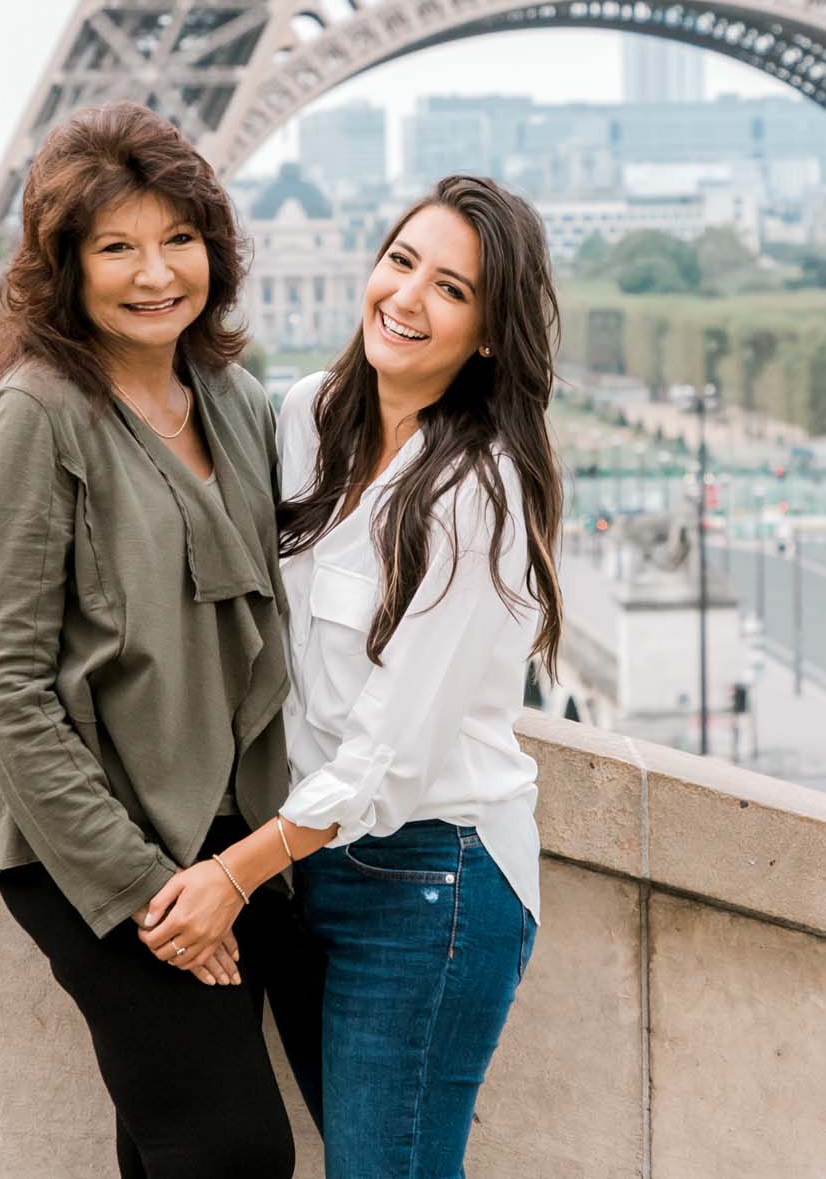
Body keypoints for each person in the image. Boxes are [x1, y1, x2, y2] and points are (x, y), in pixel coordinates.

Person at [165, 174, 563, 1178]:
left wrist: (230, 873)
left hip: (433, 875)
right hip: (312, 867)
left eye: (453, 288)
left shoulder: (479, 490)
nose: (409, 297)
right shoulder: (303, 415)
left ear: (487, 332)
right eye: (400, 261)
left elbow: (391, 749)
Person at [0, 103, 320, 1179]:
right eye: (116, 246)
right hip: (96, 850)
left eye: (179, 238)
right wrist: (146, 886)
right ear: (62, 266)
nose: (155, 271)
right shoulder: (36, 412)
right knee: (231, 1149)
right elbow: (7, 680)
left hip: (235, 838)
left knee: (173, 1145)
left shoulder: (237, 400)